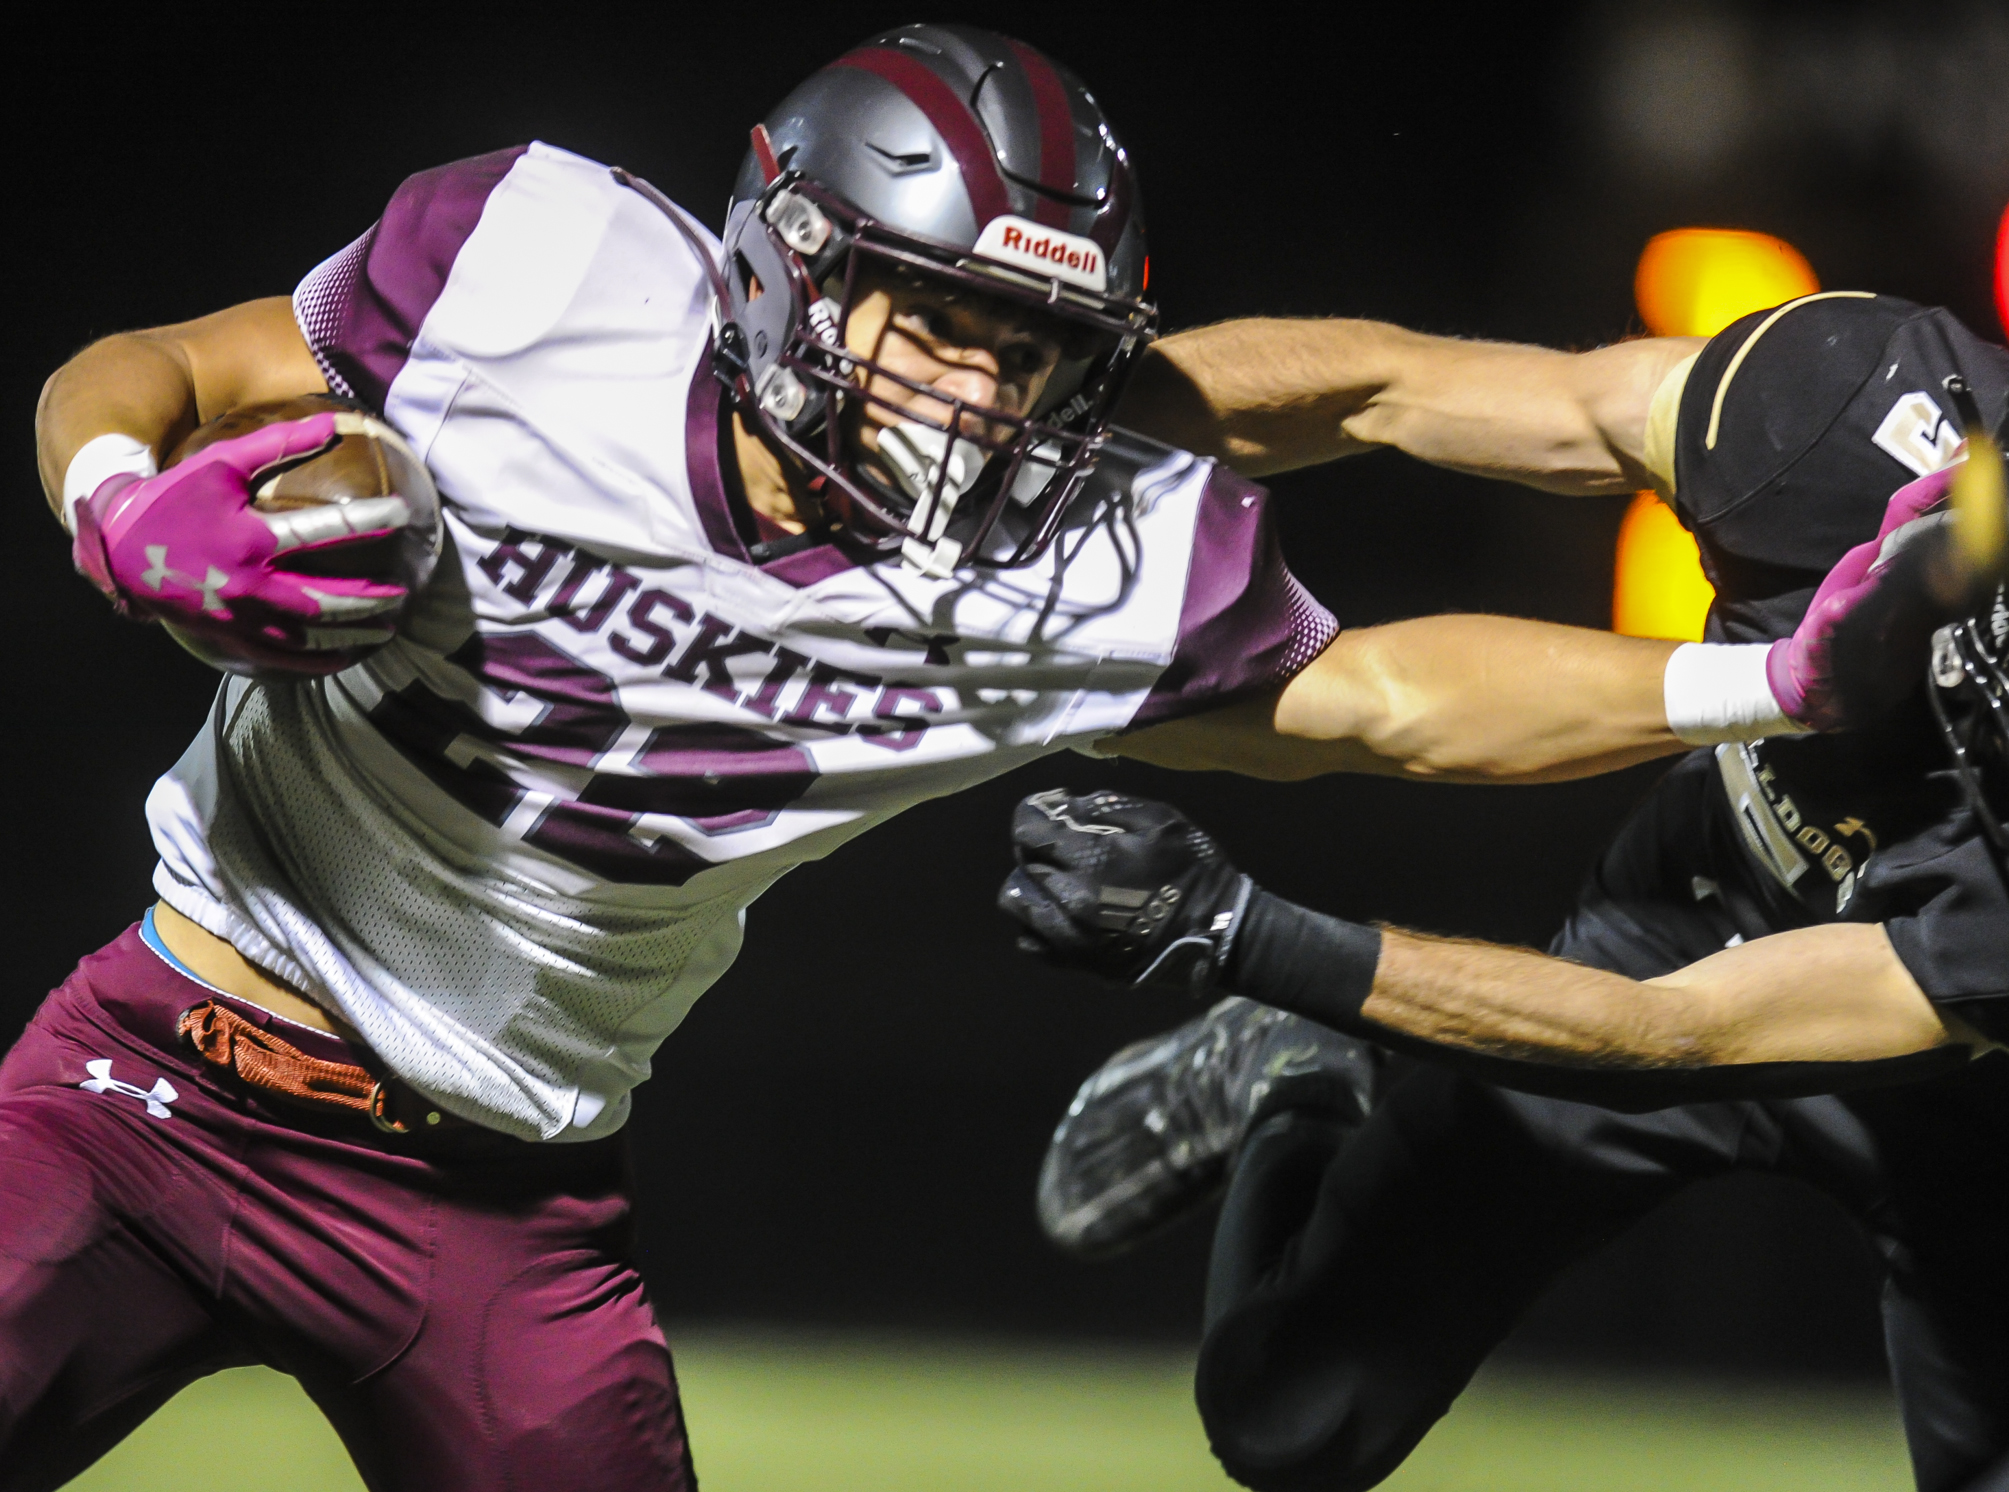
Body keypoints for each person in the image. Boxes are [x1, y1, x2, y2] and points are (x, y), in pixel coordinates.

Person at [14, 20, 1910, 1489]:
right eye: (941, 325)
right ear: (782, 270)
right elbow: (141, 370)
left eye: (1029, 350)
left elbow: (1388, 705)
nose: (982, 394)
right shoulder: (534, 274)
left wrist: (1751, 689)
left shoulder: (1056, 574)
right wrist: (115, 503)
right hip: (153, 1076)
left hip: (499, 1200)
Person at [1017, 289, 2009, 1492]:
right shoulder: (1845, 409)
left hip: (1948, 1091)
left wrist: (1247, 931)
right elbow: (1390, 380)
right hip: (1691, 902)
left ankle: (1296, 1034)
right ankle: (1295, 1076)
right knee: (1289, 1419)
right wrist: (1031, 416)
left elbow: (1673, 1037)